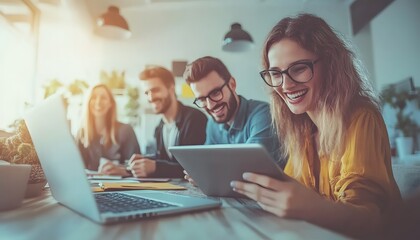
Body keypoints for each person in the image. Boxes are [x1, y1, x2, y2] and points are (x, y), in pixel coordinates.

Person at [229, 14, 401, 239]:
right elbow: (294, 192)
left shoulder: (362, 117)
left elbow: (369, 221)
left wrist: (310, 208)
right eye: (276, 73)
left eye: (299, 68)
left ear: (330, 65)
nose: (286, 85)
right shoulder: (303, 131)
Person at [183, 56, 282, 165]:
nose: (210, 105)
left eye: (215, 93)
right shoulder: (212, 124)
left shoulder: (264, 114)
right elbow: (207, 162)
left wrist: (208, 171)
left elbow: (250, 165)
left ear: (232, 84)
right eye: (202, 99)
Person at [128, 66, 207, 178]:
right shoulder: (159, 127)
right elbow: (165, 160)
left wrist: (156, 167)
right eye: (147, 93)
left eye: (155, 90)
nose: (150, 98)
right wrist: (135, 166)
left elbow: (193, 167)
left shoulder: (194, 119)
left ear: (171, 88)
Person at [77, 84, 140, 176]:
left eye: (103, 98)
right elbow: (77, 169)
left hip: (120, 187)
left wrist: (123, 171)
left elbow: (138, 168)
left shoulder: (126, 131)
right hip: (91, 188)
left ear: (111, 103)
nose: (98, 102)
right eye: (94, 97)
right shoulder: (82, 134)